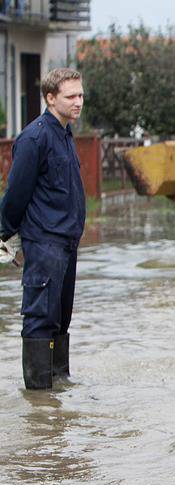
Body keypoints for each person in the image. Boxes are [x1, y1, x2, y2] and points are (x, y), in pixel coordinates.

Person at [0, 68, 86, 390]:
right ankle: (39, 397)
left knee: (61, 317)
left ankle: (59, 387)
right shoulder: (34, 137)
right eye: (71, 97)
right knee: (40, 317)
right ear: (51, 98)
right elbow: (16, 192)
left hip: (67, 241)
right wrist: (5, 233)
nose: (78, 102)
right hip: (44, 241)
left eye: (80, 95)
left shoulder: (65, 133)